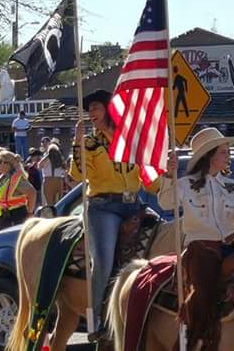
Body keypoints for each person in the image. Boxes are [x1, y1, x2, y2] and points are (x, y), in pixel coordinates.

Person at [159, 127, 234, 350]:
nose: (229, 156)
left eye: (228, 151)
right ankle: (191, 340)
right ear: (209, 157)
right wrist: (169, 175)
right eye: (224, 152)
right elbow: (166, 203)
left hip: (232, 247)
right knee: (202, 294)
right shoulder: (186, 185)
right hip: (201, 250)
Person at [69, 89, 159, 341]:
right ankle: (96, 319)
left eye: (96, 108)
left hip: (134, 204)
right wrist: (77, 142)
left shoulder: (131, 141)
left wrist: (167, 175)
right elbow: (78, 175)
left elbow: (149, 180)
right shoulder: (90, 143)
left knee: (161, 239)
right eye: (90, 110)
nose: (91, 114)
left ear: (109, 110)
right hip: (103, 206)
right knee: (104, 262)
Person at [0, 150, 36, 230]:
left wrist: (30, 213)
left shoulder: (16, 179)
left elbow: (32, 192)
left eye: (1, 161)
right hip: (3, 218)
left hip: (15, 218)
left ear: (9, 165)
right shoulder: (3, 178)